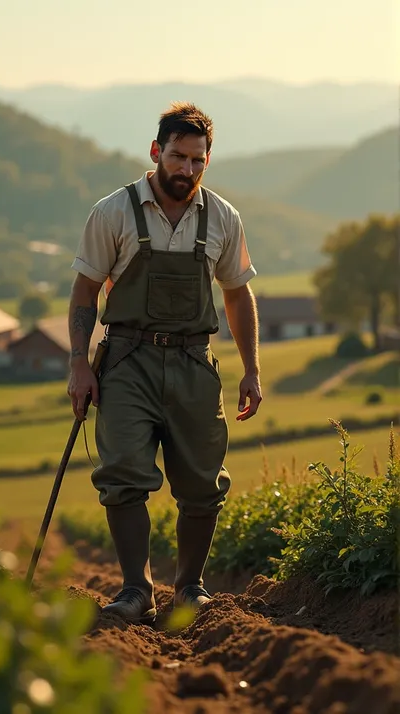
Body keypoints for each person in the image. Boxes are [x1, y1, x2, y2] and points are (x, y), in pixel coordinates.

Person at [67, 102, 262, 625]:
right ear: (156, 151)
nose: (188, 170)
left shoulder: (223, 217)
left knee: (202, 482)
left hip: (194, 363)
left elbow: (239, 295)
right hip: (126, 360)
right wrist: (79, 365)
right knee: (123, 473)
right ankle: (135, 590)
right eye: (178, 157)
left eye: (199, 161)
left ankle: (190, 588)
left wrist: (252, 369)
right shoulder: (113, 211)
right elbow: (86, 289)